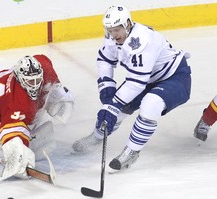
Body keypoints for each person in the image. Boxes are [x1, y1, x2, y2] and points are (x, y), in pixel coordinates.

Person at [72, 5, 191, 172]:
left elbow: (136, 82)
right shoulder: (112, 35)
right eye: (110, 30)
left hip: (175, 78)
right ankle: (96, 137)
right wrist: (106, 84)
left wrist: (112, 104)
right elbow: (105, 59)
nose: (114, 35)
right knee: (115, 112)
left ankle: (132, 151)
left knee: (150, 104)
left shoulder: (141, 40)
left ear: (127, 24)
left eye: (117, 30)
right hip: (147, 79)